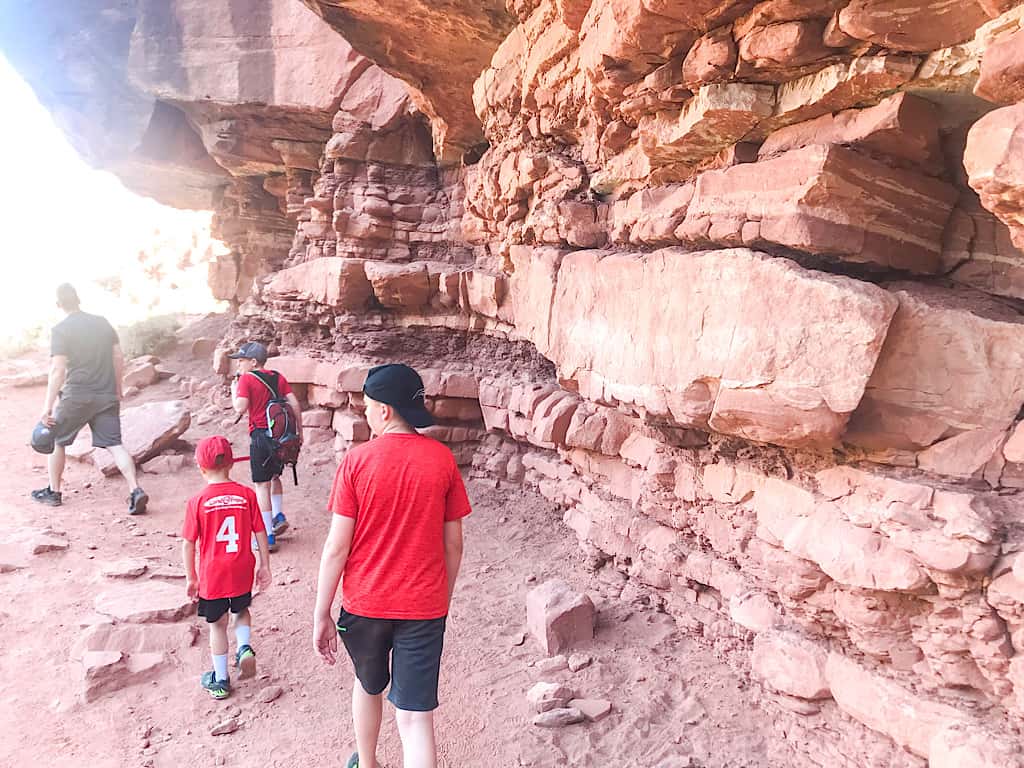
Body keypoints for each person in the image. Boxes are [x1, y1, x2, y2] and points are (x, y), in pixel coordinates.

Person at [313, 363, 471, 768]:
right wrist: (441, 599)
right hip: (424, 607)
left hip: (365, 604)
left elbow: (336, 547)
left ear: (384, 410)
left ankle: (367, 762)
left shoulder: (357, 462)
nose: (364, 412)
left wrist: (321, 613)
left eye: (366, 405)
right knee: (416, 718)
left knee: (368, 685)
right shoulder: (441, 460)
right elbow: (453, 545)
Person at [31, 283, 149, 513]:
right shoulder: (102, 323)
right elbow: (118, 355)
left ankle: (53, 492)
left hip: (77, 394)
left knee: (57, 440)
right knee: (114, 444)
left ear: (59, 305)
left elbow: (58, 370)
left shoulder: (61, 329)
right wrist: (116, 388)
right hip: (106, 394)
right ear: (79, 300)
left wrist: (47, 407)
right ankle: (135, 490)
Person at [182, 435, 271, 700]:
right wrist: (264, 565)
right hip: (242, 567)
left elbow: (188, 544)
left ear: (201, 468)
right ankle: (244, 646)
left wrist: (191, 577)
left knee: (217, 626)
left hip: (213, 573)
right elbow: (260, 531)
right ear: (231, 465)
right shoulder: (246, 495)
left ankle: (220, 680)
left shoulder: (197, 502)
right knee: (241, 610)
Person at [229, 342, 303, 551]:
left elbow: (240, 407)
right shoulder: (277, 376)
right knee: (275, 476)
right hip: (280, 436)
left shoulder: (246, 379)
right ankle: (278, 514)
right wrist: (299, 432)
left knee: (261, 485)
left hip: (261, 435)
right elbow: (294, 403)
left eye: (241, 360)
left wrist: (234, 390)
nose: (239, 365)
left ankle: (268, 535)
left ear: (253, 362)